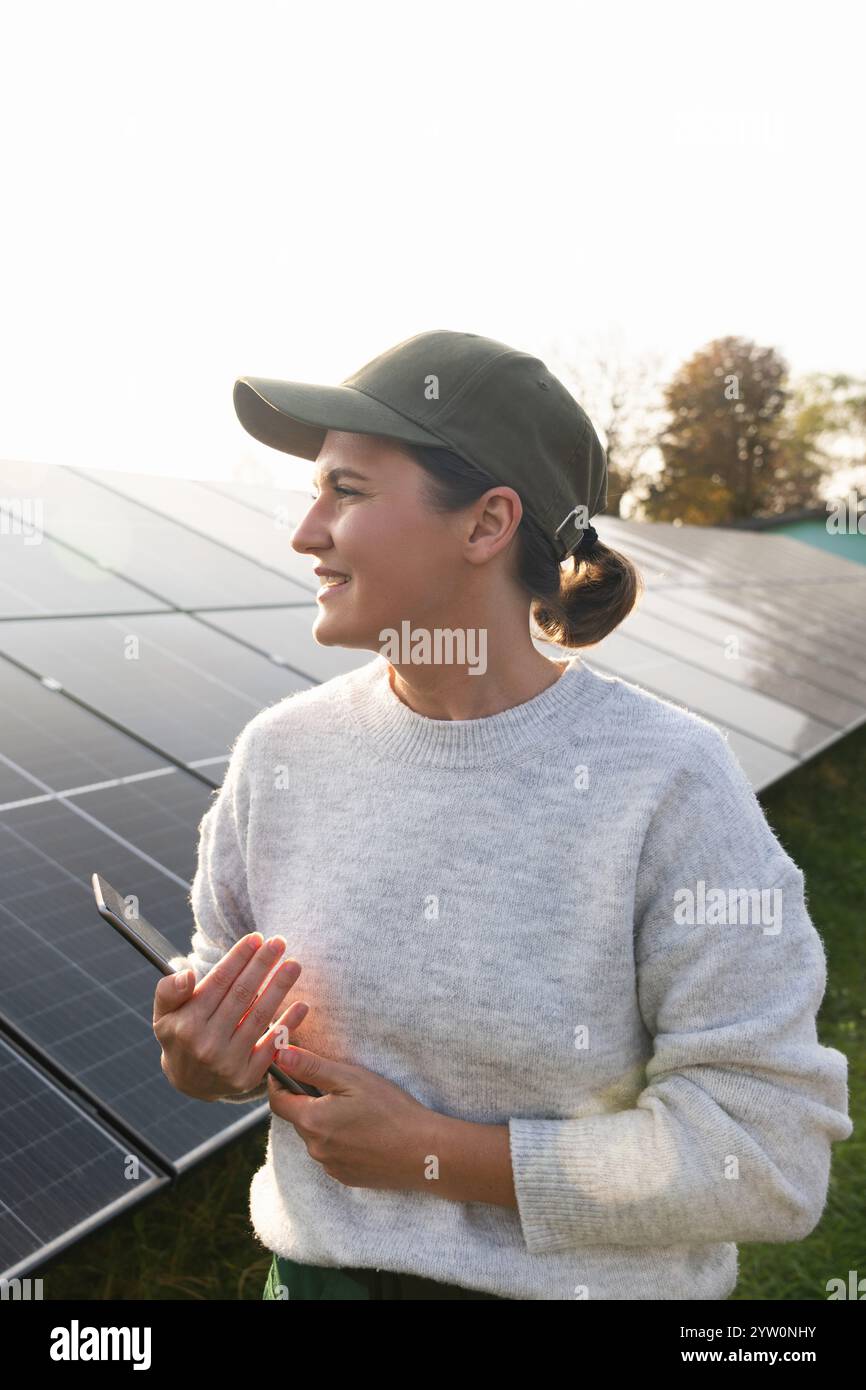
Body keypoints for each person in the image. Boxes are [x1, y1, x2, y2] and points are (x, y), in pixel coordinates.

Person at [153, 329, 853, 1301]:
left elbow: (766, 1155)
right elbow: (226, 1024)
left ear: (485, 525)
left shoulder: (667, 779)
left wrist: (437, 1155)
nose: (305, 531)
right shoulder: (281, 754)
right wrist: (207, 1059)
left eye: (346, 491)